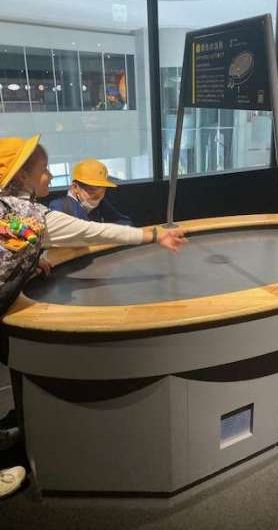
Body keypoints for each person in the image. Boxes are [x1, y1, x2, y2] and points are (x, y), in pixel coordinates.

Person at [0, 134, 186, 497]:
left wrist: (33, 259)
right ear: (22, 176)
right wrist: (153, 236)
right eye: (43, 169)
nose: (49, 175)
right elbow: (94, 231)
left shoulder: (12, 210)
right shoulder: (30, 217)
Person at [49, 159, 132, 225]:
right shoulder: (60, 207)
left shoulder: (101, 203)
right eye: (92, 190)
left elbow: (124, 222)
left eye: (103, 190)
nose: (98, 197)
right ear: (75, 187)